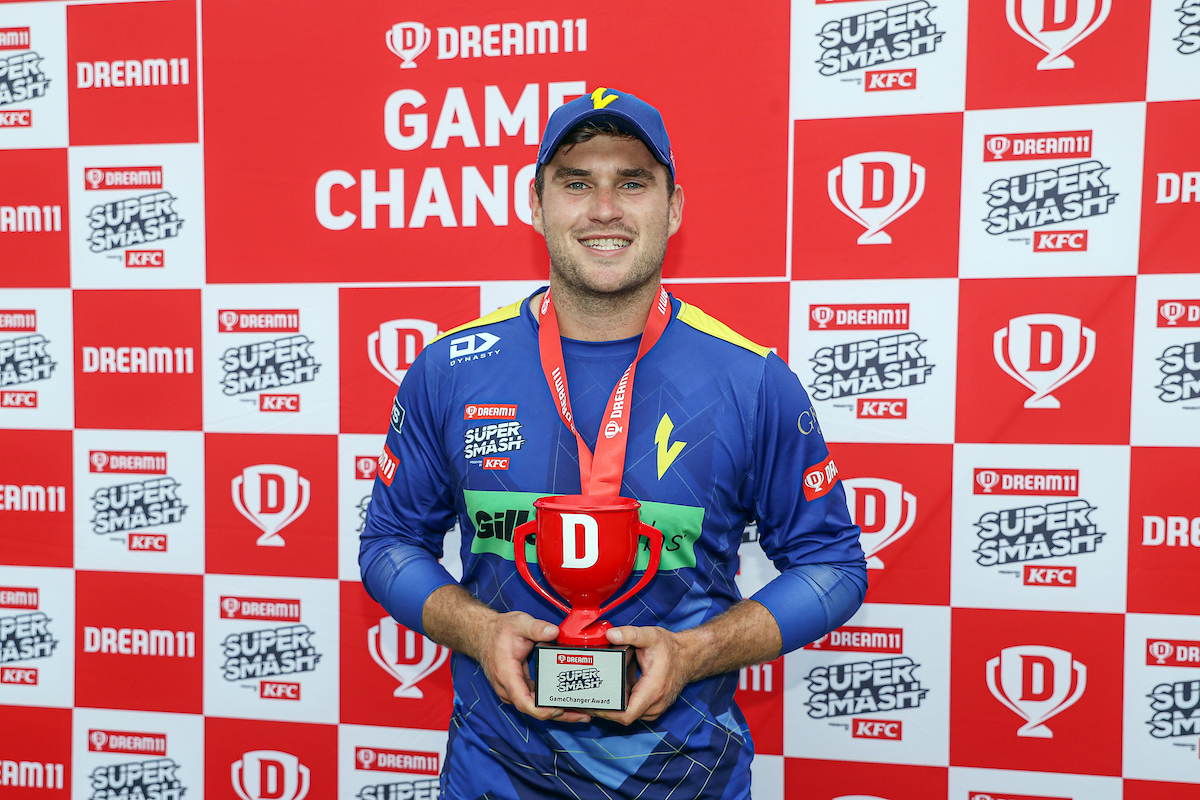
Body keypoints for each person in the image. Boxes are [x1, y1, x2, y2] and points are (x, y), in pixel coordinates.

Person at [360, 87, 866, 799]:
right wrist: (477, 630)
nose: (604, 209)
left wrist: (695, 652)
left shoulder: (752, 379)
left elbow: (833, 566)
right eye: (576, 183)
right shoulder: (450, 369)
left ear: (674, 208)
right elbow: (387, 544)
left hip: (687, 780)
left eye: (632, 182)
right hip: (492, 777)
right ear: (535, 205)